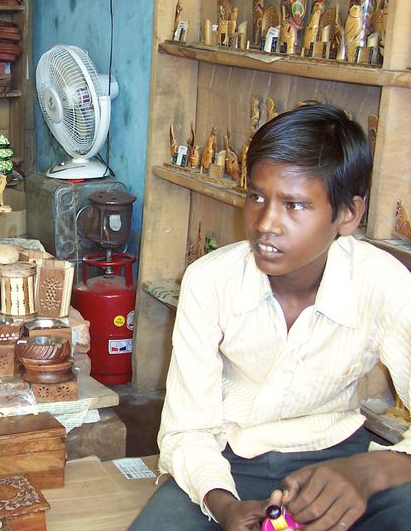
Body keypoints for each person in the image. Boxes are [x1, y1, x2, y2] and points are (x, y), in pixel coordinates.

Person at [132, 103, 411, 531]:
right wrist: (224, 505)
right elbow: (187, 430)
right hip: (229, 460)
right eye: (257, 197)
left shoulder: (381, 281)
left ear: (348, 214)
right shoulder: (209, 281)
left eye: (294, 205)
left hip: (339, 459)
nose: (266, 224)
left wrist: (368, 472)